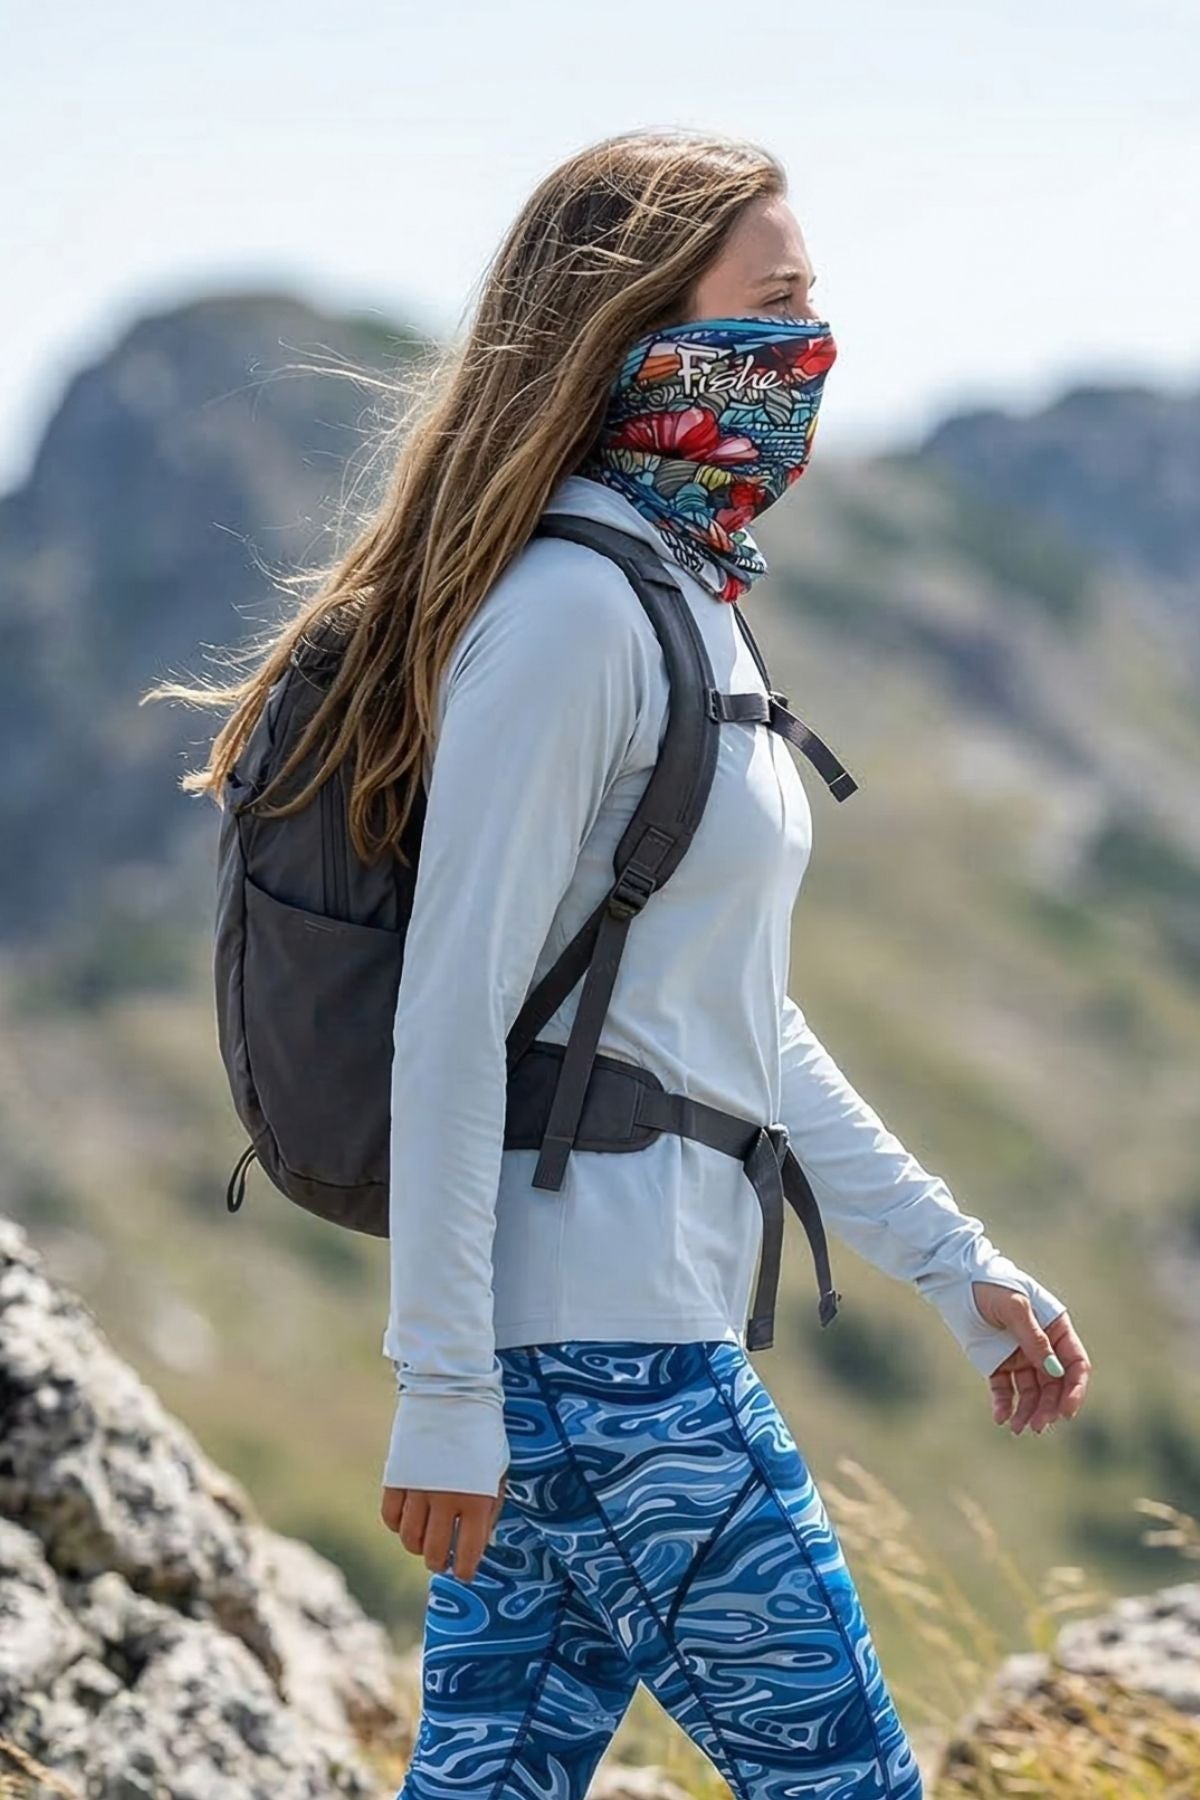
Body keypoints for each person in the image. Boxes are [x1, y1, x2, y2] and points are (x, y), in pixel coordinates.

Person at [179, 127, 1093, 1799]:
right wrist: (444, 1386)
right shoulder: (571, 618)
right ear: (639, 329)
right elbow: (451, 1012)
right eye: (780, 301)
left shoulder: (682, 599)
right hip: (608, 1369)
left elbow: (733, 1020)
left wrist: (956, 1267)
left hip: (598, 1347)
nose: (813, 347)